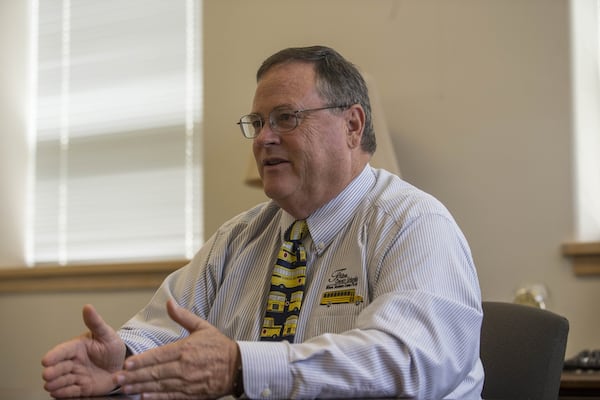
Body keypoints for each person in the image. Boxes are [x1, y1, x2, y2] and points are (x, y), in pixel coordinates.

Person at [41, 45, 484, 399]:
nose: (264, 138)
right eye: (257, 122)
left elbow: (409, 362)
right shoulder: (239, 238)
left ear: (352, 125)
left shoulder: (412, 224)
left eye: (286, 118)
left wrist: (241, 367)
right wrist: (122, 362)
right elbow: (168, 327)